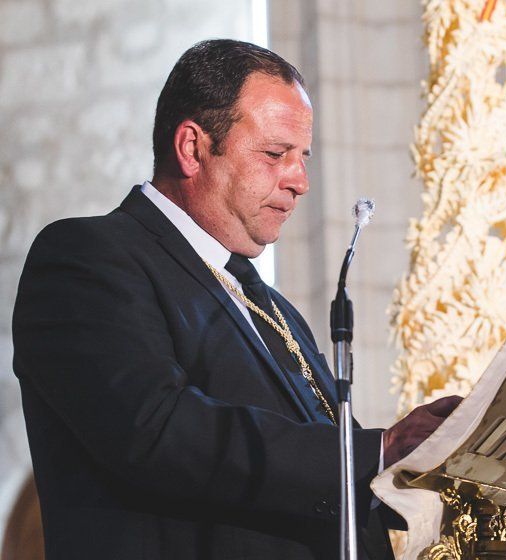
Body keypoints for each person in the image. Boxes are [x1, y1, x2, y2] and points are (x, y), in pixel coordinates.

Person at [12, 39, 461, 560]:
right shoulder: (87, 258)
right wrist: (375, 452)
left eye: (303, 158)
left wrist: (425, 462)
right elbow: (157, 430)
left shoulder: (274, 307)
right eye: (275, 154)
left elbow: (330, 474)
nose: (300, 182)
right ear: (192, 147)